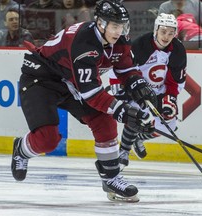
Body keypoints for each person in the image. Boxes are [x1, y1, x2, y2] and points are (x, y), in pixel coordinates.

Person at [11, 0, 157, 203]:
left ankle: (111, 178)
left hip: (72, 81)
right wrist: (122, 110)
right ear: (100, 23)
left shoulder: (120, 40)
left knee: (104, 120)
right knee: (48, 140)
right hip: (43, 79)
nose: (119, 31)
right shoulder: (84, 42)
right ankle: (21, 149)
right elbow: (92, 94)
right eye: (114, 26)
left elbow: (125, 70)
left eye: (122, 25)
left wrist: (139, 85)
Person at [109, 13, 186, 168]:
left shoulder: (177, 50)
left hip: (159, 92)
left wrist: (170, 98)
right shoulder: (141, 45)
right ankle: (123, 151)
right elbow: (120, 67)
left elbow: (174, 81)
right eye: (163, 31)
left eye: (171, 33)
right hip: (136, 88)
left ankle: (139, 138)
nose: (166, 36)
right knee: (137, 112)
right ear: (156, 30)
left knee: (169, 124)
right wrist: (119, 89)